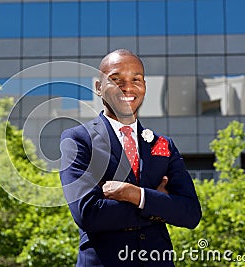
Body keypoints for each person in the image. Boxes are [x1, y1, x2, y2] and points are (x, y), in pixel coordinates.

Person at [59, 49, 202, 266]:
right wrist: (159, 204)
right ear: (98, 88)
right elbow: (88, 214)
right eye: (116, 80)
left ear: (144, 86)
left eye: (136, 79)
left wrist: (134, 194)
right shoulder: (78, 140)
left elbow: (190, 214)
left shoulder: (162, 145)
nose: (127, 87)